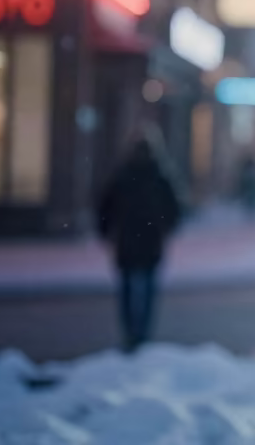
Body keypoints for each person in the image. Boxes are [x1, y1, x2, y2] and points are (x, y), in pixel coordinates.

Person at [96, 126, 183, 352]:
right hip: (149, 242)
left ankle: (132, 334)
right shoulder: (159, 176)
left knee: (128, 289)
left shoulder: (123, 175)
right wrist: (165, 227)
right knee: (146, 290)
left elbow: (105, 208)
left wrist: (106, 231)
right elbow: (174, 210)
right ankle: (141, 334)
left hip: (128, 241)